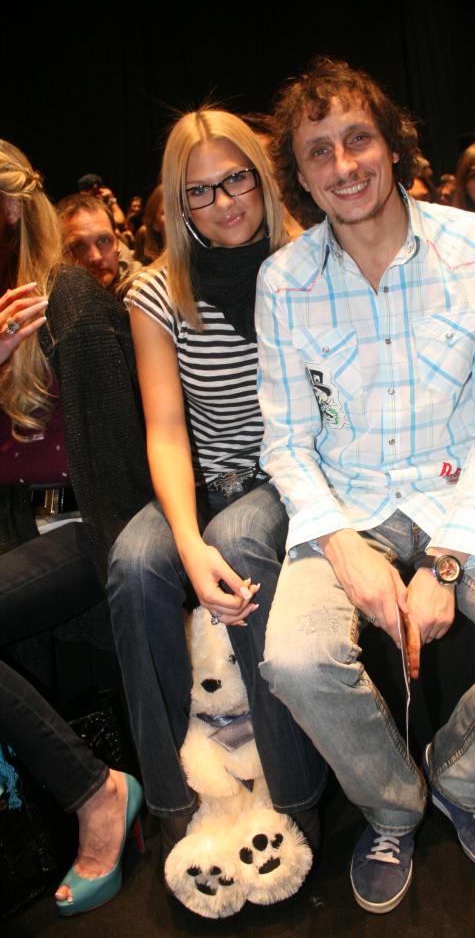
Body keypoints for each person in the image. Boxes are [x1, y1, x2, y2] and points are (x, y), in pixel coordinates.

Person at [255, 56, 475, 914]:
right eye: (319, 151)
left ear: (391, 142)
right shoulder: (283, 281)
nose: (344, 166)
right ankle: (392, 805)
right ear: (299, 174)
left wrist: (446, 560)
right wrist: (344, 549)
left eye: (358, 139)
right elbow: (286, 441)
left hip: (463, 494)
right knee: (294, 659)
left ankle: (461, 778)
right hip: (345, 505)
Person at [106, 108, 326, 874]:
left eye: (237, 179)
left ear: (263, 177)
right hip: (204, 477)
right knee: (135, 564)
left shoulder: (310, 263)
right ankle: (177, 807)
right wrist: (186, 542)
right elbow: (167, 430)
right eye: (200, 191)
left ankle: (295, 801)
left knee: (237, 541)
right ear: (178, 203)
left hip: (291, 475)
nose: (225, 202)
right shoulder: (156, 291)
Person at [0, 286, 144, 919]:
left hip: (89, 524)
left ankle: (96, 792)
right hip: (19, 532)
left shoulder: (67, 301)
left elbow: (123, 450)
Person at [57, 193, 136, 294]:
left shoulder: (141, 290)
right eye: (79, 246)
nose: (96, 258)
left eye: (104, 240)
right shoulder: (50, 298)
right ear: (61, 254)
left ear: (117, 242)